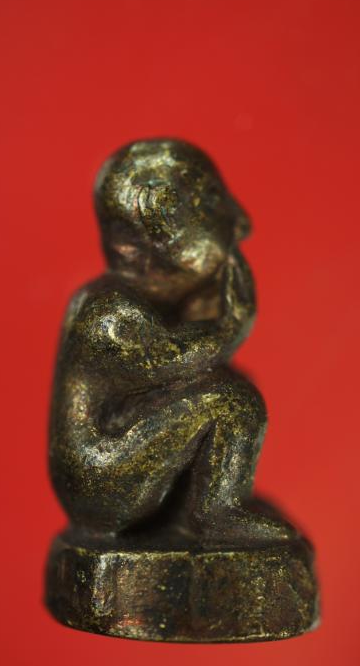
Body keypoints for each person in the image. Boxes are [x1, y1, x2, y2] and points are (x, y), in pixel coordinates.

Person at [49, 139, 295, 546]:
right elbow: (173, 360)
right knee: (232, 402)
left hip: (121, 461)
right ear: (166, 220)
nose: (241, 223)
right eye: (212, 201)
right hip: (103, 479)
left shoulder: (152, 305)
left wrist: (211, 304)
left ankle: (197, 507)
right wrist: (232, 324)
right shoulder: (108, 314)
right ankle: (215, 513)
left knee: (229, 386)